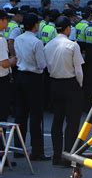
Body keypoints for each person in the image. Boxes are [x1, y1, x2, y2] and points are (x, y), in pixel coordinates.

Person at [44, 16, 84, 165]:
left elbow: (46, 67)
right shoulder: (73, 45)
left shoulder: (48, 45)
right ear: (68, 28)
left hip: (54, 84)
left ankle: (56, 155)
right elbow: (79, 70)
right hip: (71, 84)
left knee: (57, 120)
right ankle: (68, 156)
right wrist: (79, 85)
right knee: (72, 122)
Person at [13, 13, 48, 160]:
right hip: (34, 78)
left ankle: (18, 148)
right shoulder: (37, 42)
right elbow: (41, 64)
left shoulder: (18, 39)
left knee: (20, 114)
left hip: (20, 76)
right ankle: (37, 150)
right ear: (35, 25)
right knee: (35, 115)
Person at [0, 10, 16, 122]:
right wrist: (13, 60)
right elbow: (4, 63)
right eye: (6, 20)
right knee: (2, 115)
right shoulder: (0, 40)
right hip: (2, 81)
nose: (8, 23)